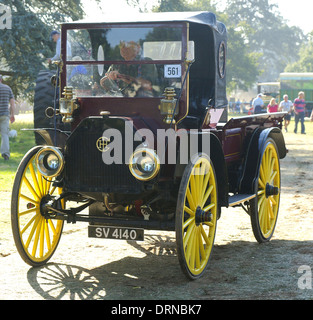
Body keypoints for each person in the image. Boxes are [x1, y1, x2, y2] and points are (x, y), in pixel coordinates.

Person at [0, 75, 15, 160]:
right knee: (4, 135)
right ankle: (5, 154)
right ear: (1, 80)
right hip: (4, 115)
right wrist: (12, 115)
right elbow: (12, 104)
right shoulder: (7, 88)